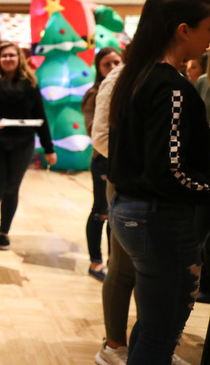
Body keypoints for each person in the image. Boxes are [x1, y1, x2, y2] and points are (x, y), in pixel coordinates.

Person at [107, 0, 210, 363]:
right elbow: (167, 170)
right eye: (208, 29)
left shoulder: (137, 77)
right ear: (184, 30)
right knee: (161, 329)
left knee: (153, 325)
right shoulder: (170, 87)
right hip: (158, 218)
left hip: (134, 211)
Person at [0, 41, 57, 257]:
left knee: (11, 188)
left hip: (23, 144)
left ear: (19, 58)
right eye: (4, 56)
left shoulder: (30, 84)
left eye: (12, 55)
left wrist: (49, 148)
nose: (8, 59)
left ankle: (4, 233)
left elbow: (41, 116)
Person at [81, 46, 122, 282]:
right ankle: (95, 262)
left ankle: (113, 262)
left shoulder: (128, 90)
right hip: (102, 161)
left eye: (116, 62)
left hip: (123, 163)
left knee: (116, 214)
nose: (113, 68)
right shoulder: (94, 94)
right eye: (107, 64)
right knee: (100, 211)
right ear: (98, 68)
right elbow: (92, 131)